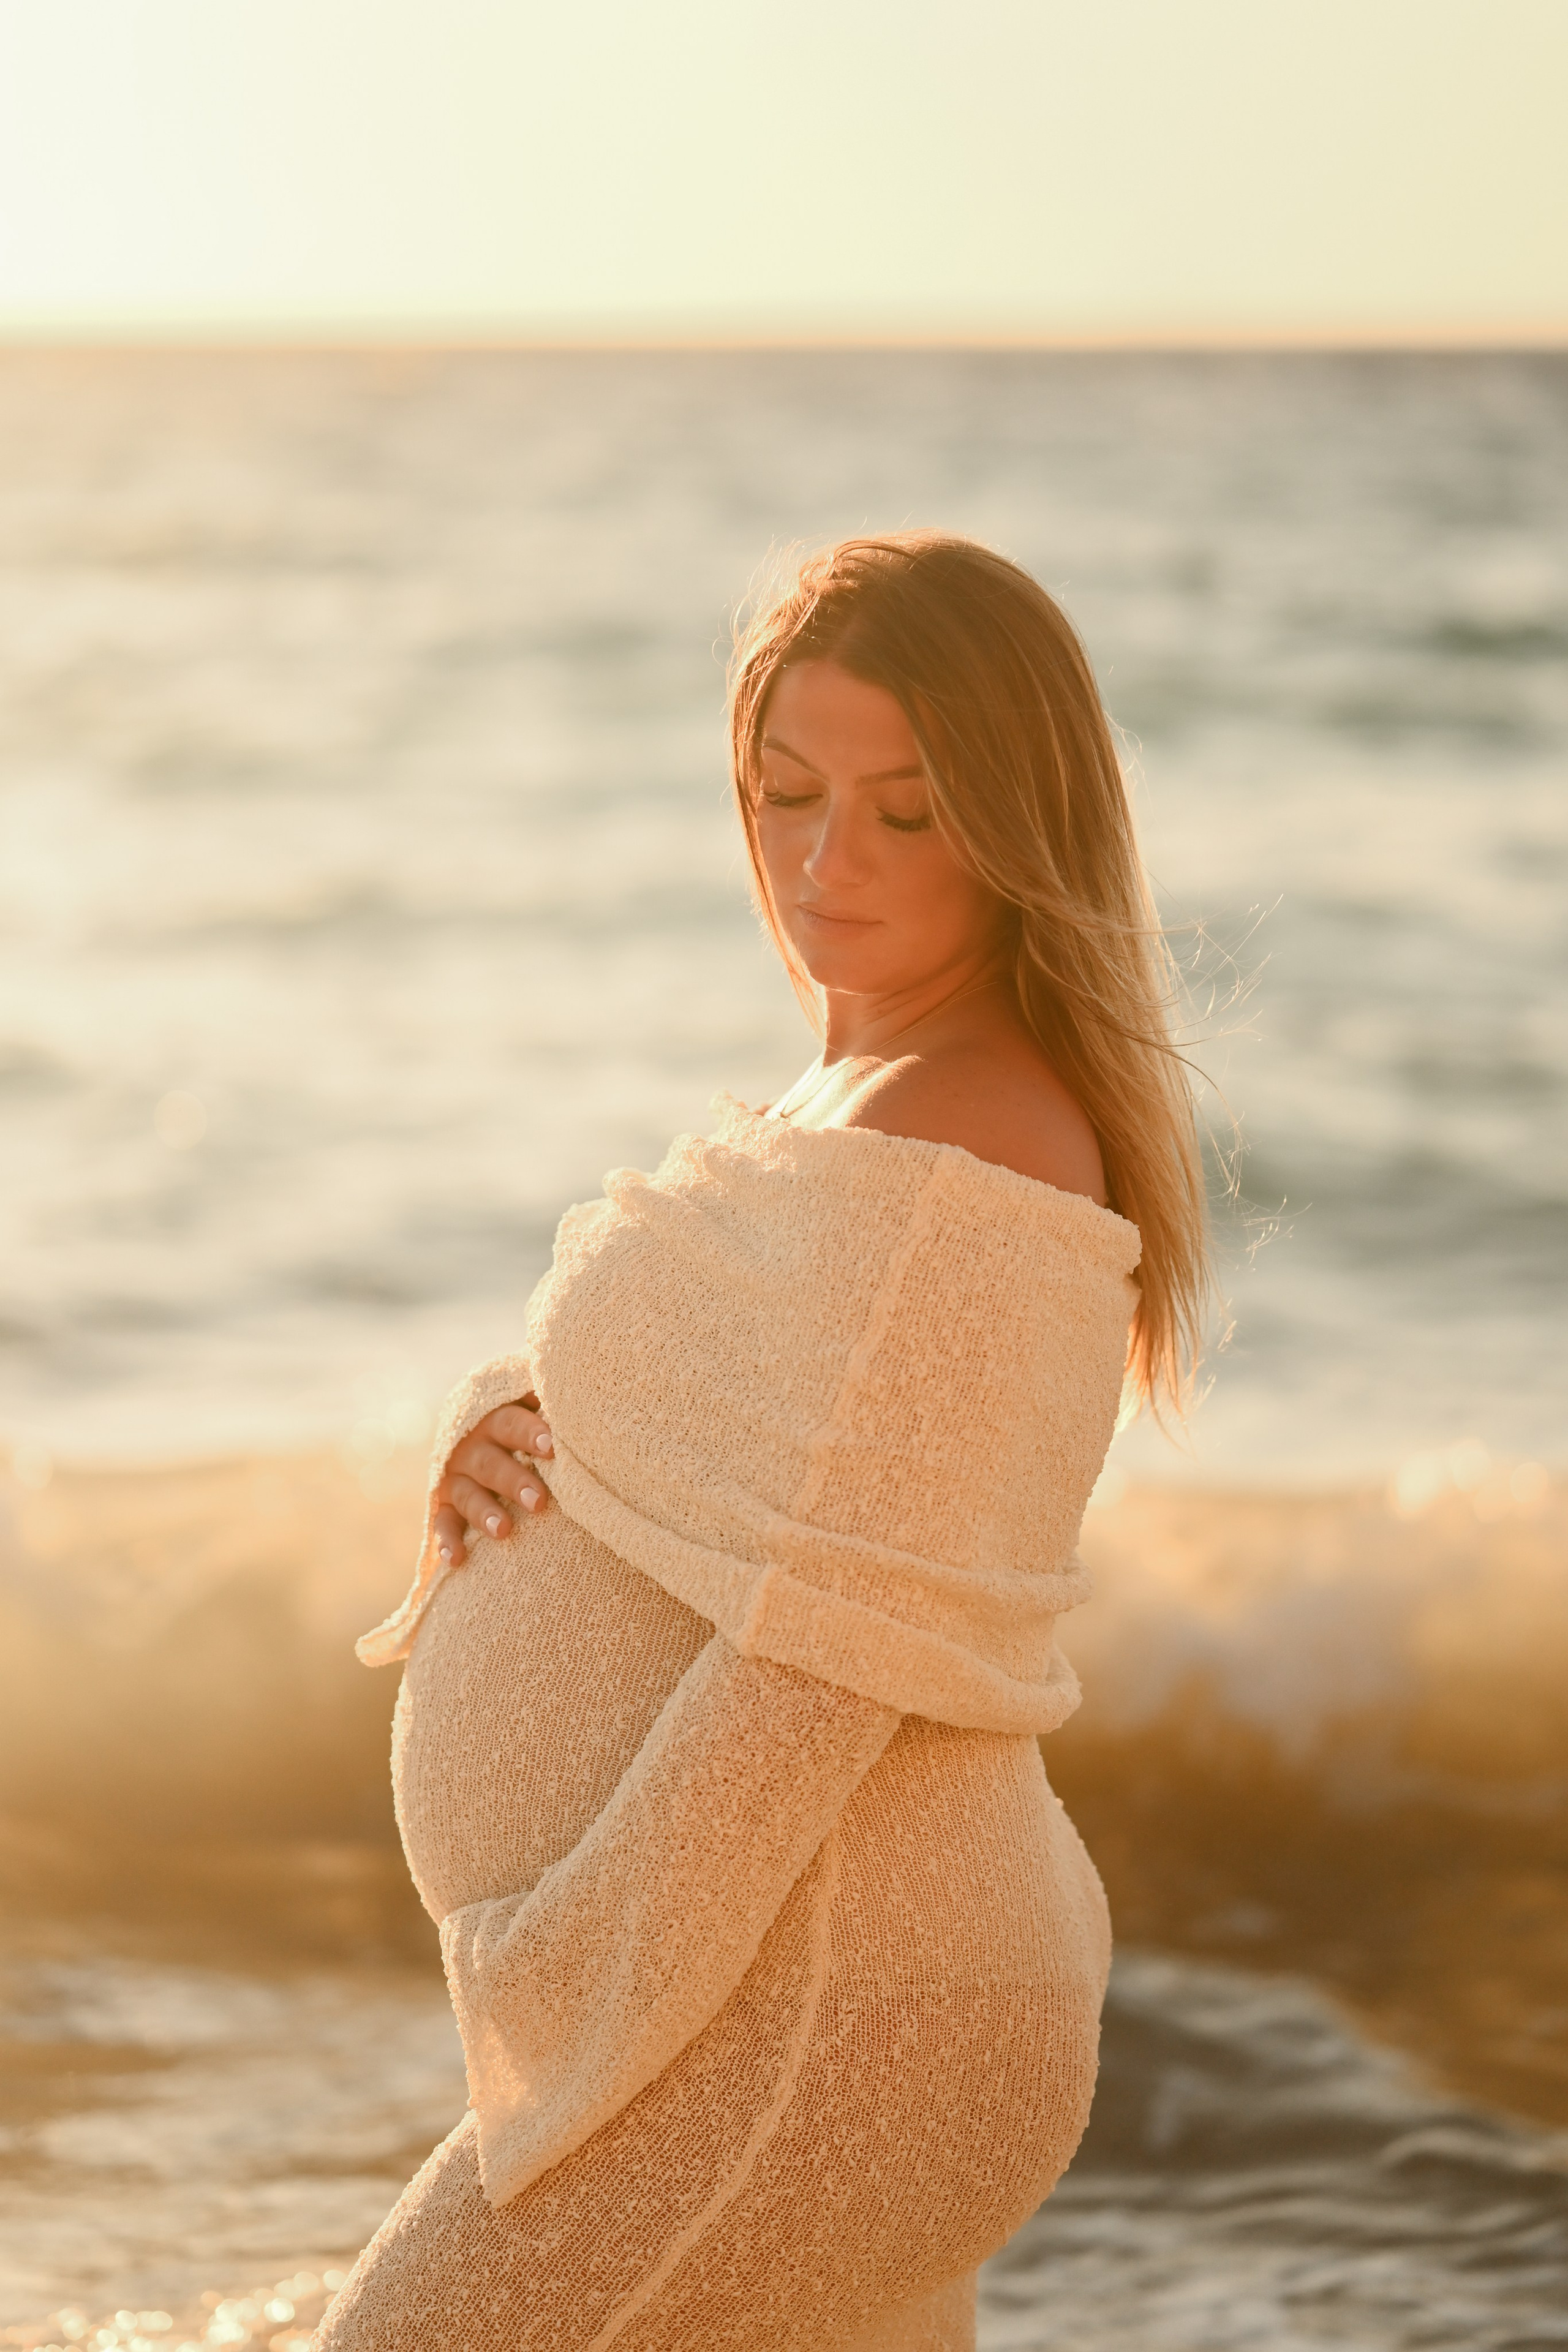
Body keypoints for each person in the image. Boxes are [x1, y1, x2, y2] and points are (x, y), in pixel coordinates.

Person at [318, 532, 1210, 2351]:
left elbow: (815, 1663)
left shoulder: (980, 1134)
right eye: (788, 792)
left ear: (1022, 823)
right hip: (828, 1992)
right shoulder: (871, 1094)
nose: (827, 860)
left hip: (823, 2003)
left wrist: (567, 1992)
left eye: (908, 810)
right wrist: (501, 1427)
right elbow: (746, 1461)